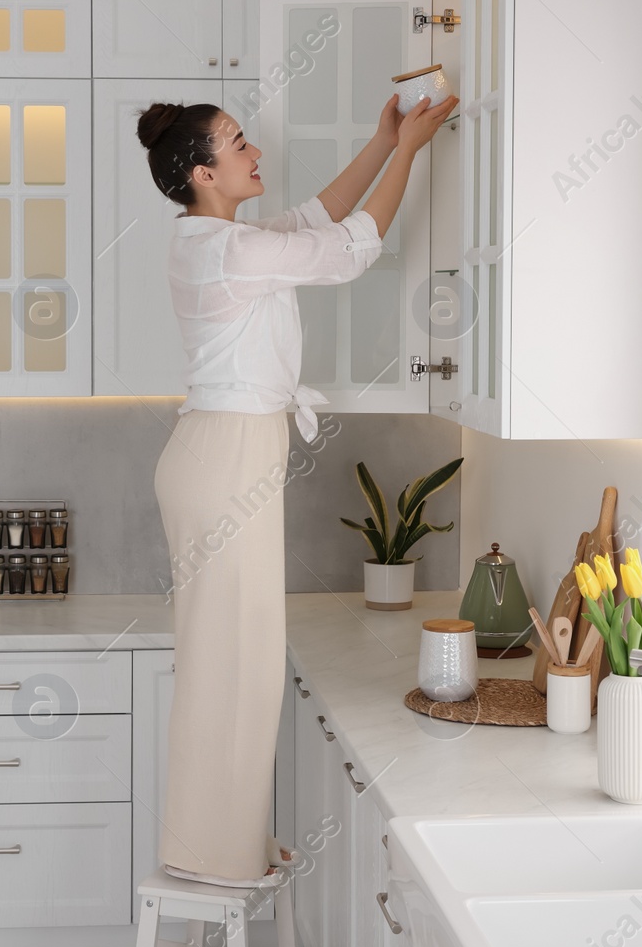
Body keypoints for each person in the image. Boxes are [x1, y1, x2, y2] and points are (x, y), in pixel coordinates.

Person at [139, 91, 458, 886]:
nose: (256, 152)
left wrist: (384, 140)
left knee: (233, 657)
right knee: (234, 660)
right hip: (226, 460)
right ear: (204, 172)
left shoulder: (220, 238)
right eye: (238, 144)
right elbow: (350, 250)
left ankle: (222, 840)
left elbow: (324, 216)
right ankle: (217, 852)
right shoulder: (230, 252)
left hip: (222, 454)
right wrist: (412, 153)